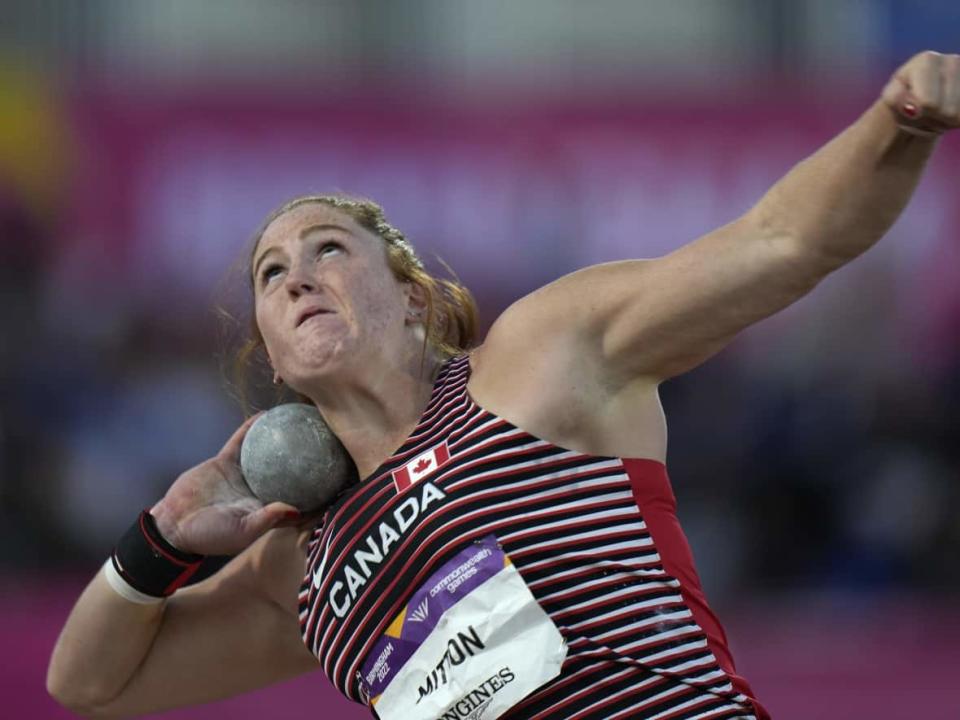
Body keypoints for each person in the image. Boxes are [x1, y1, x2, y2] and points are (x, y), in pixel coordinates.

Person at [48, 51, 958, 720]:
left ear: (410, 297)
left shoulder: (539, 361)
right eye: (270, 273)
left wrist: (901, 120)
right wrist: (164, 537)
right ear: (276, 361)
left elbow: (782, 243)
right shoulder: (303, 567)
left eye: (328, 248)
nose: (296, 277)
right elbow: (88, 683)